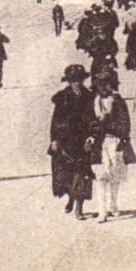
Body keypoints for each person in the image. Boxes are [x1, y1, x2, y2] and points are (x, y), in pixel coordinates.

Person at [49, 64, 95, 219]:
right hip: (65, 141)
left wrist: (91, 138)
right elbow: (55, 121)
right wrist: (54, 140)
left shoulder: (89, 96)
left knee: (82, 173)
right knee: (67, 175)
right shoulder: (62, 97)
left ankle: (79, 208)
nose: (77, 83)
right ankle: (71, 198)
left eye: (79, 80)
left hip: (83, 141)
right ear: (68, 81)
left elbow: (93, 119)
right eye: (73, 80)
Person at [88, 72, 132, 223]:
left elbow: (125, 123)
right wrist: (91, 134)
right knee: (100, 177)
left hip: (115, 142)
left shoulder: (118, 101)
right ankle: (102, 211)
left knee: (114, 177)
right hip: (99, 145)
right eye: (100, 85)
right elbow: (89, 122)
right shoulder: (94, 102)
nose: (103, 88)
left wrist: (121, 136)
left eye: (106, 84)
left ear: (111, 85)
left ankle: (113, 203)